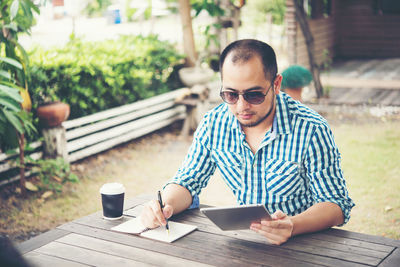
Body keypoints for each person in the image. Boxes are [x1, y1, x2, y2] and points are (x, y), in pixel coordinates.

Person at [140, 39, 354, 245]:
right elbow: (187, 181)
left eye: (254, 95)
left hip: (304, 243)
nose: (241, 106)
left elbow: (336, 204)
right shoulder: (214, 124)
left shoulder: (311, 128)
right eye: (231, 95)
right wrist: (163, 206)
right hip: (245, 243)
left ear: (276, 84)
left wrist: (292, 225)